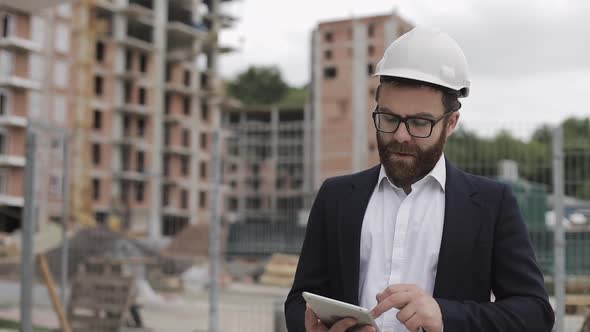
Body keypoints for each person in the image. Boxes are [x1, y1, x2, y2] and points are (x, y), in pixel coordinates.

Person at [284, 26, 554, 332]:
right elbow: (298, 301)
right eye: (389, 118)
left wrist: (444, 315)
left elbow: (534, 313)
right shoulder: (336, 196)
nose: (401, 135)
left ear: (451, 123)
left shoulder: (492, 204)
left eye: (419, 123)